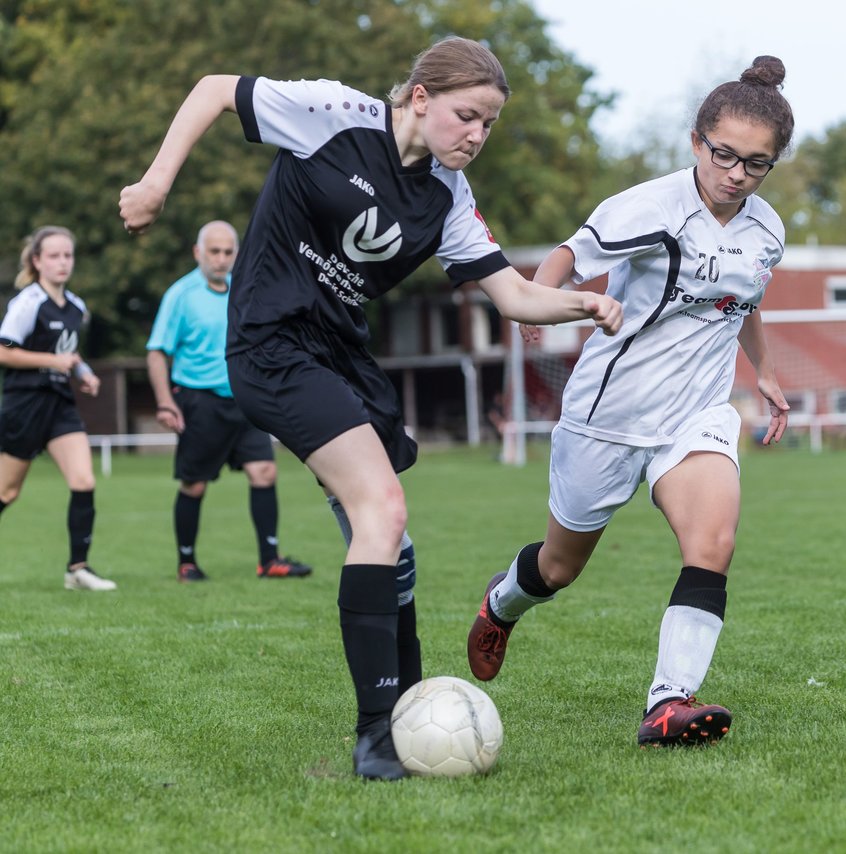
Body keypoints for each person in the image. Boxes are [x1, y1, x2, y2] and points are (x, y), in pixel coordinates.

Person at [120, 37, 622, 781]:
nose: (477, 136)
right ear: (420, 97)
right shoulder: (333, 113)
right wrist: (157, 181)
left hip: (343, 360)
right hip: (268, 343)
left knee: (394, 542)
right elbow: (213, 87)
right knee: (380, 508)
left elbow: (513, 294)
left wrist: (581, 300)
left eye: (489, 124)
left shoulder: (448, 196)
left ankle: (406, 702)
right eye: (467, 116)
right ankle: (374, 738)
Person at [465, 56, 793, 748]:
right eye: (725, 155)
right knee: (559, 568)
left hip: (696, 413)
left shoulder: (767, 230)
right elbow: (567, 255)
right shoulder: (650, 205)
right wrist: (542, 304)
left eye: (756, 164)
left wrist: (762, 370)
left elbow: (745, 300)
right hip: (608, 418)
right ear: (697, 141)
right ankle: (502, 603)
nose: (736, 174)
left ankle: (669, 702)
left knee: (713, 543)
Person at [146, 220, 312, 582]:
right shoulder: (181, 294)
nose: (221, 259)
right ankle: (186, 562)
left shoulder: (245, 290)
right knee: (195, 484)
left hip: (245, 398)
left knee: (264, 472)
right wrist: (164, 402)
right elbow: (157, 352)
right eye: (214, 251)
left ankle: (269, 559)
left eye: (228, 252)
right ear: (198, 253)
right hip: (197, 401)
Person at [0, 226, 116, 591]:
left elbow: (69, 354)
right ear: (37, 261)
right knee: (6, 493)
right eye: (54, 255)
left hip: (61, 406)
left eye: (68, 255)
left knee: (84, 480)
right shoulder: (27, 302)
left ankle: (77, 569)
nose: (62, 262)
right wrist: (54, 362)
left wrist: (84, 373)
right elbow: (4, 351)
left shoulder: (78, 308)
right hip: (25, 403)